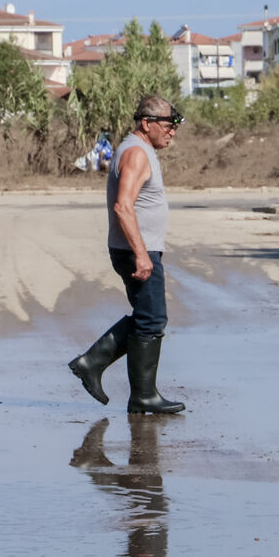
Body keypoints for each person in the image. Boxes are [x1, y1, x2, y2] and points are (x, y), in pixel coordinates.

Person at [69, 95, 186, 415]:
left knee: (148, 317)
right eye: (168, 124)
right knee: (152, 319)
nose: (172, 131)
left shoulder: (140, 150)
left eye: (175, 125)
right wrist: (142, 255)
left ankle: (103, 369)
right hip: (137, 250)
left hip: (137, 248)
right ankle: (128, 386)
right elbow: (123, 206)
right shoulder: (136, 153)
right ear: (146, 123)